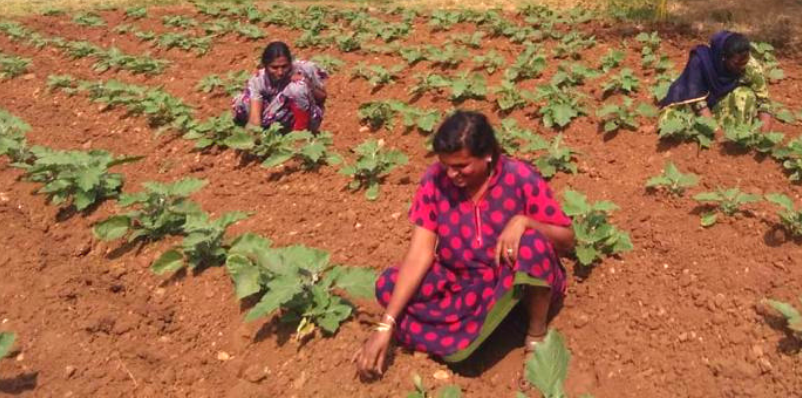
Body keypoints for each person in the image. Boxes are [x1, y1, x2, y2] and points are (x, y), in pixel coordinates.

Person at [356, 111, 574, 380]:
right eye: (446, 165)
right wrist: (384, 325)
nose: (452, 174)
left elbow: (567, 239)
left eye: (461, 166)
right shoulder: (434, 181)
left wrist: (526, 222)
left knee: (533, 246)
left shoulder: (520, 178)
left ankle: (535, 333)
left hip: (509, 284)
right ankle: (474, 330)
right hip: (461, 284)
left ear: (488, 155)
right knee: (390, 283)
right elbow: (419, 253)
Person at [659, 30, 772, 127]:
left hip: (720, 103)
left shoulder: (751, 66)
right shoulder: (700, 62)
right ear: (723, 58)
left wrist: (764, 136)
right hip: (694, 105)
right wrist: (716, 132)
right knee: (670, 119)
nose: (741, 67)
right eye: (737, 64)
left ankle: (735, 131)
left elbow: (764, 102)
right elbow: (698, 103)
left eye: (745, 62)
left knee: (745, 95)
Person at [231, 41, 328, 132]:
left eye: (284, 66)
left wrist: (307, 84)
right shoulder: (258, 80)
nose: (280, 72)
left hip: (307, 116)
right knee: (242, 101)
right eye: (274, 68)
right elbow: (255, 118)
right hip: (274, 118)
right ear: (265, 65)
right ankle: (269, 131)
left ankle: (300, 133)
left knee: (298, 87)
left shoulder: (305, 68)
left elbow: (322, 97)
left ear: (290, 63)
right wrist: (252, 139)